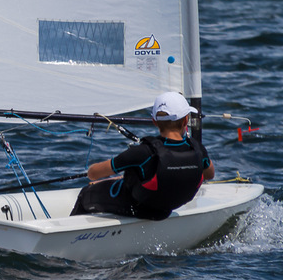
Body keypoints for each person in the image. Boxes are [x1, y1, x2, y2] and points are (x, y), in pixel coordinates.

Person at [70, 91, 214, 220]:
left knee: (85, 194)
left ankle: (73, 237)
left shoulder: (143, 152)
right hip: (167, 209)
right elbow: (209, 174)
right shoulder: (197, 148)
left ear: (154, 121)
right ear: (186, 120)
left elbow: (93, 174)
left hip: (139, 208)